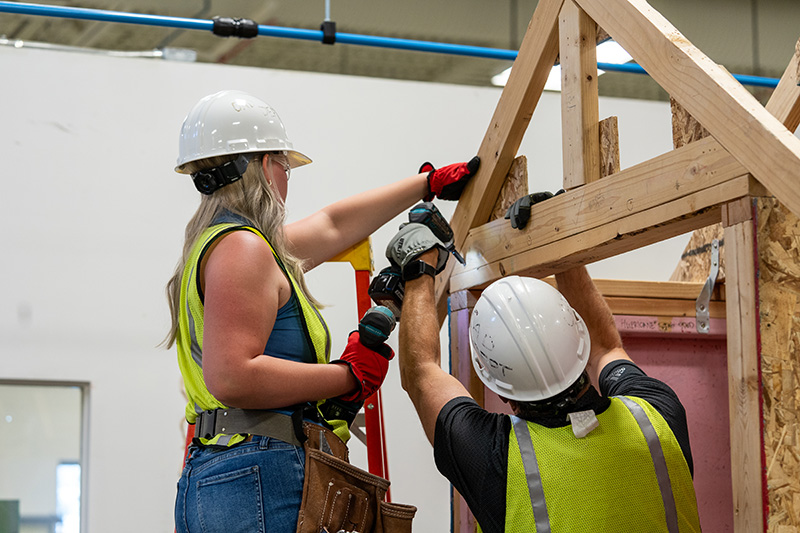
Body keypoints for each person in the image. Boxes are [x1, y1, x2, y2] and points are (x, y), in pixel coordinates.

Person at [163, 89, 479, 533]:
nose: (288, 178)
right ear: (262, 165)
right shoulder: (243, 250)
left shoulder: (230, 247)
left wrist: (426, 185)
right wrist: (347, 375)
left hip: (233, 468)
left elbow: (332, 225)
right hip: (258, 471)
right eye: (285, 165)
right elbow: (233, 376)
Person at [386, 220, 702, 532]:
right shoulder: (656, 412)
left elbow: (421, 371)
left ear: (499, 388)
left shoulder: (493, 456)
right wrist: (560, 240)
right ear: (579, 337)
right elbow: (606, 347)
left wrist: (419, 264)